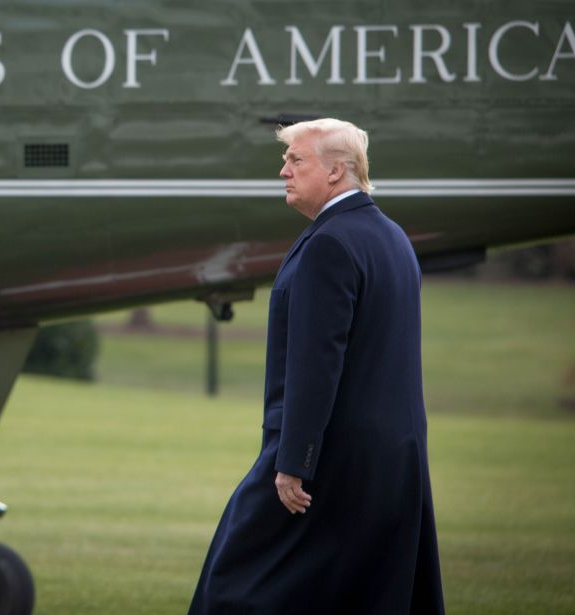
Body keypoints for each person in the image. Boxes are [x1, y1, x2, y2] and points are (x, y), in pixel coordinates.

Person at [187, 118, 445, 614]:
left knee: (233, 583)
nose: (283, 170)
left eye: (295, 160)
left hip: (328, 460)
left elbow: (318, 362)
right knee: (363, 595)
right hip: (394, 461)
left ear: (335, 172)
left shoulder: (330, 243)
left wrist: (293, 462)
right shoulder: (391, 238)